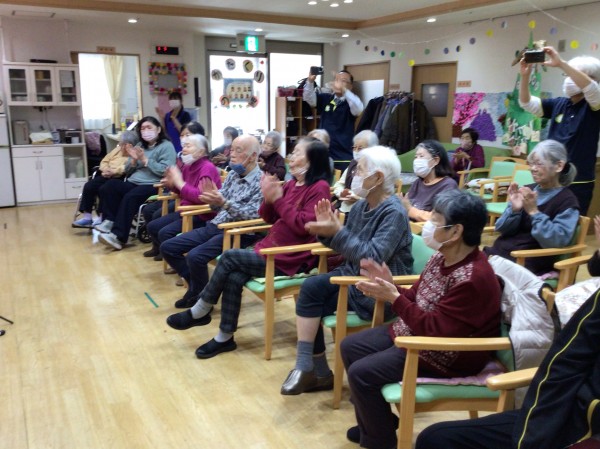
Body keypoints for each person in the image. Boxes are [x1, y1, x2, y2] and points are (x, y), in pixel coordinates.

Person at [341, 190, 501, 449]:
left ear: (455, 231)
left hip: (446, 354)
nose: (427, 223)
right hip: (419, 333)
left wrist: (394, 298)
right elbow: (416, 297)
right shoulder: (442, 256)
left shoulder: (473, 277)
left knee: (361, 373)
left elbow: (435, 329)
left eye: (435, 219)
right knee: (350, 346)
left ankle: (379, 441)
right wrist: (390, 288)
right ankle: (378, 422)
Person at [165, 137, 332, 359]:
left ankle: (200, 310)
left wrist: (277, 200)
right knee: (234, 277)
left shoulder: (319, 188)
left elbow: (304, 226)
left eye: (298, 153)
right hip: (271, 249)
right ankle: (224, 338)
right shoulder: (291, 184)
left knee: (229, 257)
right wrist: (268, 199)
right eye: (292, 152)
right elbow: (268, 218)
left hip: (291, 258)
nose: (291, 157)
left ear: (312, 160)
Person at [280, 146, 414, 396]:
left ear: (378, 178)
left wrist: (338, 232)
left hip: (376, 290)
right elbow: (347, 248)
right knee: (310, 290)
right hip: (352, 278)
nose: (354, 175)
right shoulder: (362, 206)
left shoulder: (394, 212)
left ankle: (314, 370)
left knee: (312, 293)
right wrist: (326, 233)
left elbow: (371, 257)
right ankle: (311, 368)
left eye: (359, 170)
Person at [415, 287, 600, 449]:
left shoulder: (472, 275)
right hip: (575, 419)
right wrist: (533, 437)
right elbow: (565, 363)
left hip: (439, 352)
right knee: (437, 439)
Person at [160, 135, 263, 308]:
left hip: (237, 232)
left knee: (195, 256)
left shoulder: (261, 181)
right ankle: (199, 288)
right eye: (231, 149)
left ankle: (199, 298)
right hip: (216, 225)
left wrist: (224, 203)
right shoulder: (233, 175)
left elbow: (254, 216)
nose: (231, 154)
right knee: (168, 247)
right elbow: (218, 207)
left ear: (253, 156)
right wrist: (212, 200)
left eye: (238, 150)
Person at [518, 46, 600, 215]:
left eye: (573, 74)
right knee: (542, 221)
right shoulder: (559, 103)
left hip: (578, 181)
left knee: (570, 225)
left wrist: (561, 63)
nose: (568, 79)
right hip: (550, 179)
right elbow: (526, 103)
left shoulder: (594, 105)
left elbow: (592, 89)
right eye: (566, 75)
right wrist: (525, 76)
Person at [484, 139, 580, 275]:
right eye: (531, 163)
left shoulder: (567, 201)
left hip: (526, 263)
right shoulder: (526, 190)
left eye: (539, 164)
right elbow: (501, 229)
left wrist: (534, 212)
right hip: (499, 254)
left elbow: (558, 240)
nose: (533, 168)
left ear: (559, 166)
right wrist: (514, 210)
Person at [95, 118, 176, 250]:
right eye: (143, 128)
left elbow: (165, 170)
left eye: (149, 127)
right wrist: (133, 160)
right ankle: (109, 221)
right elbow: (127, 170)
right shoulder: (140, 145)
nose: (146, 131)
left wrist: (145, 160)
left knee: (131, 197)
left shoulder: (167, 146)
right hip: (133, 182)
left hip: (153, 185)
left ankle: (118, 237)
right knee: (109, 186)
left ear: (158, 129)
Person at [145, 134, 222, 257]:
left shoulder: (207, 168)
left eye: (188, 146)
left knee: (165, 232)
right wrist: (172, 184)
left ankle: (172, 258)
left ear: (201, 151)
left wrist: (179, 182)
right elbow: (182, 191)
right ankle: (164, 253)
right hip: (185, 211)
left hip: (200, 214)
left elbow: (201, 197)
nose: (183, 149)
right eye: (184, 146)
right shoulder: (188, 166)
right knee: (152, 226)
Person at [303, 69, 364, 171]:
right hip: (323, 153)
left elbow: (359, 108)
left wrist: (344, 91)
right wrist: (310, 81)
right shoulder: (326, 98)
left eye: (343, 81)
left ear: (350, 86)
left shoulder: (351, 103)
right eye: (337, 80)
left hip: (343, 157)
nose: (338, 83)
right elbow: (309, 99)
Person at [71, 142, 129, 228]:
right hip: (106, 174)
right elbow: (104, 161)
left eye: (123, 144)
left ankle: (102, 218)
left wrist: (114, 171)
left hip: (118, 177)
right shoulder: (117, 150)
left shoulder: (132, 154)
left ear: (130, 145)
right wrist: (105, 169)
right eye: (121, 144)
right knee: (89, 186)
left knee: (103, 189)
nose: (121, 146)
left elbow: (126, 167)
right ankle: (87, 218)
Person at [401, 140, 458, 222]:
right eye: (416, 157)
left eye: (421, 156)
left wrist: (409, 209)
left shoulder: (448, 185)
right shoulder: (418, 182)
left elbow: (438, 219)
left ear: (435, 160)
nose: (417, 161)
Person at [332, 130, 379, 213]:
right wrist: (341, 193)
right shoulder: (353, 164)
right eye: (354, 148)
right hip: (343, 206)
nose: (356, 151)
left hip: (363, 210)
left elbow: (377, 197)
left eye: (360, 148)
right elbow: (339, 184)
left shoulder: (376, 169)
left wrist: (358, 198)